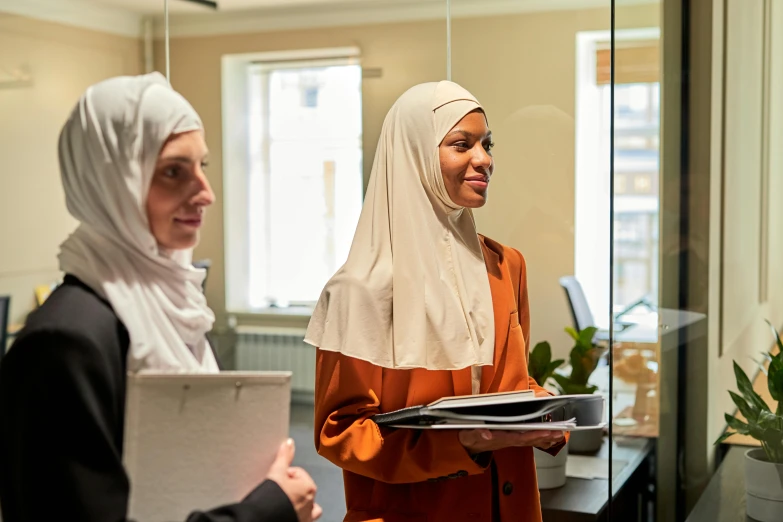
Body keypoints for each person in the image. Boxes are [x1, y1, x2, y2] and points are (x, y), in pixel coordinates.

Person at [0, 73, 321, 522]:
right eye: (174, 171)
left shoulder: (173, 308)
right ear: (111, 183)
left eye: (201, 166)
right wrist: (268, 511)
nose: (205, 194)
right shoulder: (64, 341)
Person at [307, 81, 567, 522]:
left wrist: (546, 414)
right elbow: (341, 433)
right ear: (415, 156)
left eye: (486, 144)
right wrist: (459, 445)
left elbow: (514, 385)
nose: (484, 159)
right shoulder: (361, 288)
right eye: (461, 144)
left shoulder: (506, 266)